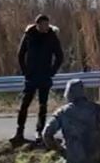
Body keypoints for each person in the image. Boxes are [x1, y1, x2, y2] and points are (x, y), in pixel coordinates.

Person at [13, 14, 65, 144]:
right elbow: (20, 54)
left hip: (44, 75)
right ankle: (19, 132)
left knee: (43, 105)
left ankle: (39, 132)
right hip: (31, 75)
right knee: (25, 104)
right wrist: (25, 71)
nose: (45, 27)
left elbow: (59, 56)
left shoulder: (51, 36)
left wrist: (52, 72)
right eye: (43, 25)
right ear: (37, 25)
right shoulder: (29, 35)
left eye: (47, 24)